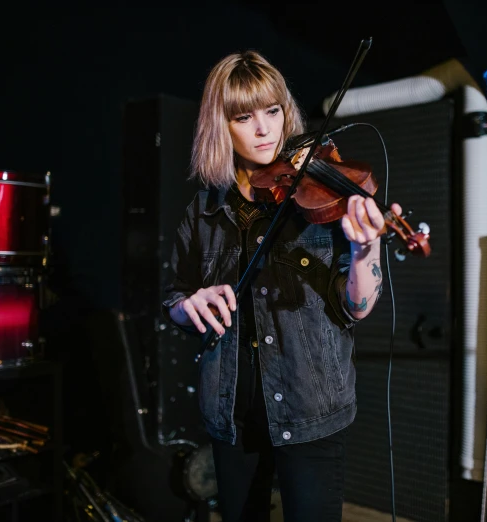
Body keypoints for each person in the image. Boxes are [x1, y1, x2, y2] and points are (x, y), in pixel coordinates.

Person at [161, 50, 400, 522]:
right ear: (220, 126)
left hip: (310, 408)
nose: (265, 129)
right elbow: (173, 297)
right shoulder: (204, 210)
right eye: (244, 117)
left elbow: (356, 307)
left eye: (272, 112)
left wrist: (365, 251)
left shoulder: (320, 197)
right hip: (232, 413)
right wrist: (190, 306)